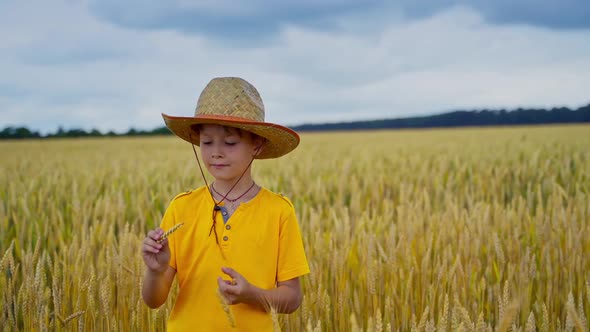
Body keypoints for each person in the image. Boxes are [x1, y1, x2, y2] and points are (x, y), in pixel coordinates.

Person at [141, 77, 310, 331]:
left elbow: (292, 298)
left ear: (257, 145)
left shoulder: (279, 211)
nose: (216, 152)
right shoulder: (181, 208)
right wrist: (155, 271)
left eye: (229, 142)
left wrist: (251, 294)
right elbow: (153, 301)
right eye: (207, 142)